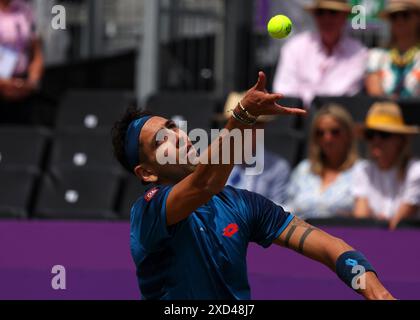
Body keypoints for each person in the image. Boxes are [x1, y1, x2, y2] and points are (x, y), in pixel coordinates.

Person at [111, 72, 393, 300]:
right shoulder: (148, 211)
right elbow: (204, 183)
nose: (176, 136)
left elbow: (332, 248)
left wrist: (376, 291)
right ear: (146, 172)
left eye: (172, 127)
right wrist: (243, 116)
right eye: (160, 140)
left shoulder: (242, 204)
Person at [272, 0, 367, 107]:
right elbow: (284, 91)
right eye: (320, 12)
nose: (327, 19)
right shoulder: (294, 48)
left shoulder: (358, 52)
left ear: (344, 16)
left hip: (338, 118)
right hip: (298, 118)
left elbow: (348, 93)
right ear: (314, 16)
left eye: (333, 12)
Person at [353, 101, 420, 230]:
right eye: (371, 135)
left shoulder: (416, 170)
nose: (376, 141)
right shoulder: (362, 170)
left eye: (384, 134)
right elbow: (361, 220)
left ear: (401, 140)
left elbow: (399, 223)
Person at [285, 104, 359, 219]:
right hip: (301, 234)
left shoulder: (361, 171)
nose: (327, 138)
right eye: (320, 133)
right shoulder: (303, 169)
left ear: (348, 134)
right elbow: (288, 208)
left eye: (335, 132)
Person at [223, 92, 290, 205]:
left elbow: (279, 212)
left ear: (262, 127)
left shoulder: (278, 167)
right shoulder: (214, 164)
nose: (245, 130)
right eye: (238, 124)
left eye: (252, 124)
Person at [0, 0, 44, 123]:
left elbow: (36, 52)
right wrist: (4, 84)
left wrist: (32, 81)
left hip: (21, 86)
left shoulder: (25, 10)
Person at [366, 0, 420, 99]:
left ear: (418, 18)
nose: (400, 21)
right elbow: (375, 92)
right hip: (386, 113)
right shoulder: (377, 55)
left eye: (405, 15)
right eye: (394, 16)